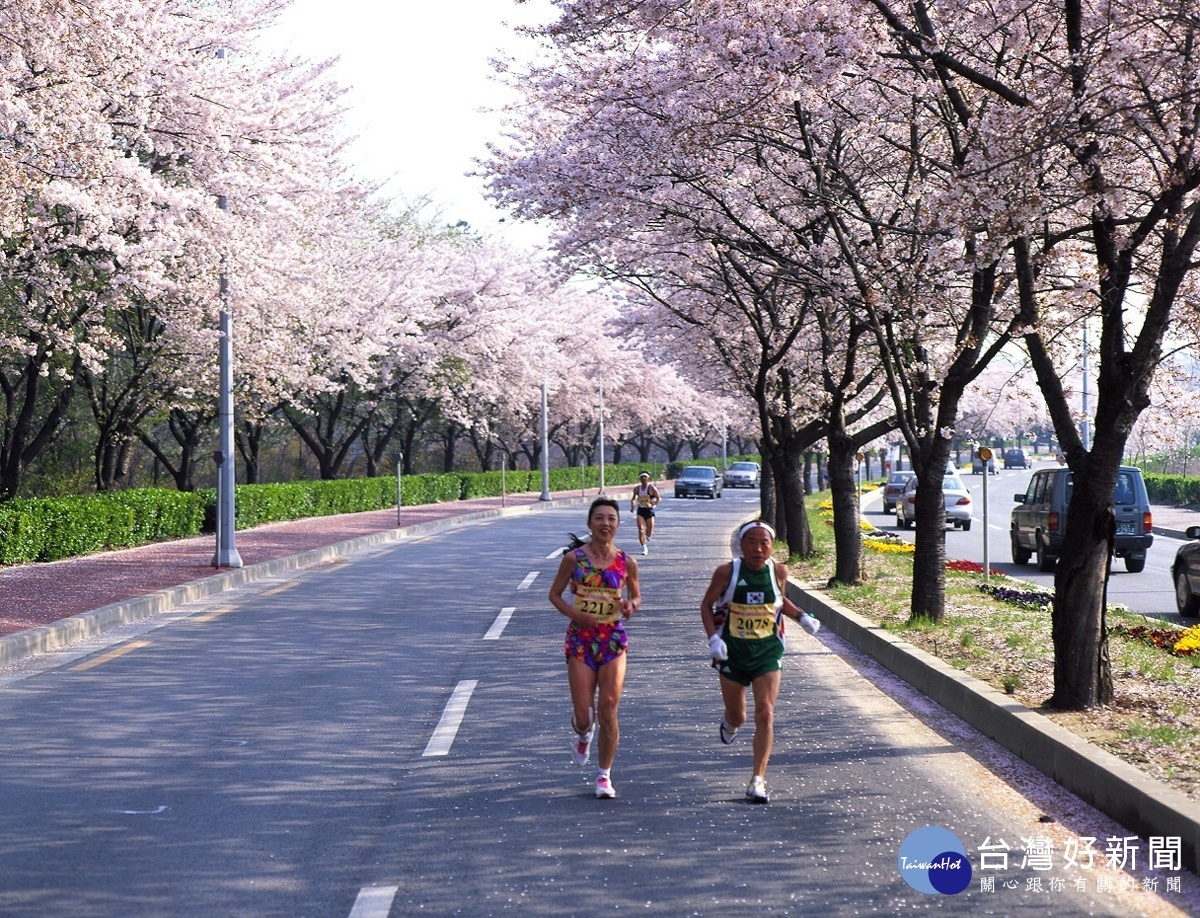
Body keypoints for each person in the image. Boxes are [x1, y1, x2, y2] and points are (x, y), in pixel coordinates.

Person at [700, 519, 820, 804]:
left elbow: (780, 601)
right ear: (741, 545)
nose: (758, 548)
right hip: (732, 651)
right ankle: (729, 723)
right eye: (751, 542)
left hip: (767, 651)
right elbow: (706, 605)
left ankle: (758, 780)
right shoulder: (727, 572)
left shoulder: (778, 571)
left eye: (764, 542)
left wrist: (802, 617)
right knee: (738, 716)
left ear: (772, 546)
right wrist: (713, 640)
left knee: (765, 712)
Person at [548, 497, 641, 799]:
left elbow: (637, 597)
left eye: (611, 518)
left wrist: (630, 604)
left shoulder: (626, 561)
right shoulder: (574, 559)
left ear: (617, 524)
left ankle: (604, 775)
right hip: (581, 640)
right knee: (585, 714)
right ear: (590, 524)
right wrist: (577, 615)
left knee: (609, 709)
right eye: (599, 518)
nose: (605, 523)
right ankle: (582, 734)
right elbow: (555, 595)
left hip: (613, 640)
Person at [629, 472, 661, 555]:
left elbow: (659, 499)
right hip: (641, 510)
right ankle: (644, 548)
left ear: (648, 478)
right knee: (640, 530)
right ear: (639, 479)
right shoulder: (637, 489)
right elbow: (633, 499)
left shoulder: (651, 488)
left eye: (645, 477)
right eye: (642, 477)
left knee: (649, 532)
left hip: (649, 511)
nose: (643, 479)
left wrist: (652, 504)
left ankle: (648, 535)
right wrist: (632, 506)